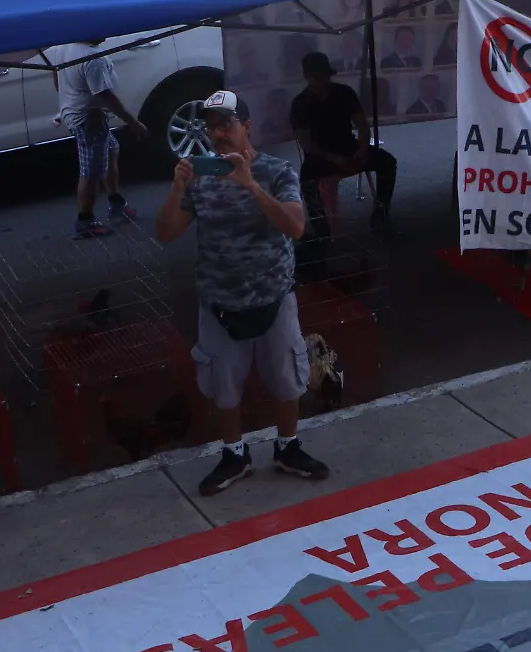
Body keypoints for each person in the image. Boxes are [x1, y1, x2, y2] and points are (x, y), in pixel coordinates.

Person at [155, 90, 329, 496]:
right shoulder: (199, 178)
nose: (218, 133)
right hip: (219, 304)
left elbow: (296, 227)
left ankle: (288, 447)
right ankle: (234, 455)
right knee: (223, 384)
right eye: (212, 126)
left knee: (288, 380)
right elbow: (166, 233)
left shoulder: (276, 171)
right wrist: (178, 188)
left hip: (274, 297)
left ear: (246, 127)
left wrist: (250, 186)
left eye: (226, 125)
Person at [44, 39, 147, 239]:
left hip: (81, 114)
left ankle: (116, 201)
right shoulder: (93, 60)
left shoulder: (64, 47)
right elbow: (107, 97)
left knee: (111, 149)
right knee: (91, 171)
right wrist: (135, 124)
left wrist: (68, 97)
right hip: (88, 119)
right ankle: (85, 221)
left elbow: (55, 74)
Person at [290, 52, 398, 233]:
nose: (322, 82)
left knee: (388, 162)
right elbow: (305, 142)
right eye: (317, 78)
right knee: (307, 180)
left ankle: (381, 210)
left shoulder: (344, 92)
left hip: (349, 146)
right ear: (307, 77)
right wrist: (333, 158)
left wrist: (362, 149)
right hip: (321, 154)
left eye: (324, 77)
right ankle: (321, 227)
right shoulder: (301, 103)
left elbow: (362, 125)